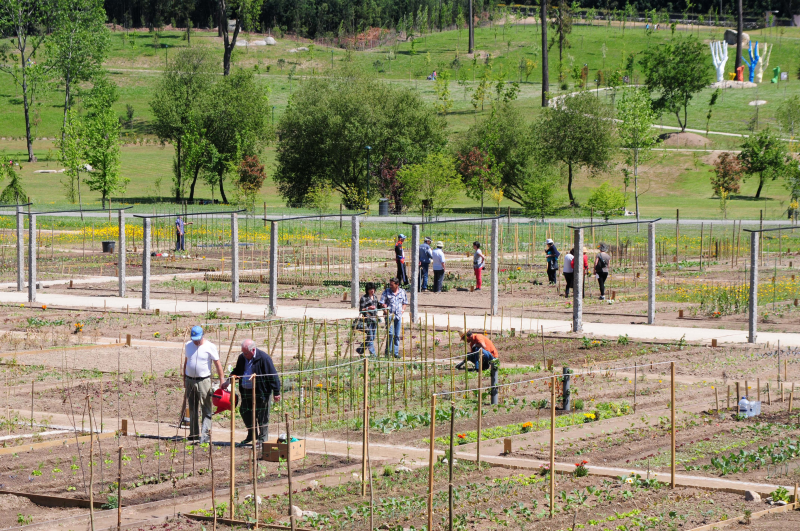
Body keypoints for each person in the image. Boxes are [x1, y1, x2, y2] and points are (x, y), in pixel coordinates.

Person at [222, 339, 281, 445]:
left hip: (261, 392)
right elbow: (238, 370)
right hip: (246, 391)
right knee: (245, 411)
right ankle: (252, 434)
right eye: (243, 352)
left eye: (246, 353)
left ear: (253, 350)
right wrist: (228, 381)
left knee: (262, 415)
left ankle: (263, 439)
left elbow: (272, 375)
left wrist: (276, 392)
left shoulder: (264, 358)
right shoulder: (242, 358)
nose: (244, 355)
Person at [183, 326, 224, 443]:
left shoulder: (210, 346)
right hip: (190, 380)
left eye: (197, 339)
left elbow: (217, 364)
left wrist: (222, 381)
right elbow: (186, 362)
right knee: (192, 407)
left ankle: (206, 435)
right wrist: (184, 378)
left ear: (203, 336)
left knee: (205, 408)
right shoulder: (188, 345)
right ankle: (194, 433)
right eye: (194, 339)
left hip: (203, 381)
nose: (195, 341)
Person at [379, 277, 408, 358]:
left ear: (397, 285)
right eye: (390, 284)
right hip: (389, 316)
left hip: (398, 316)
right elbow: (381, 302)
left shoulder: (402, 292)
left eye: (392, 285)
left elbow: (405, 302)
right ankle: (388, 352)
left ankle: (395, 353)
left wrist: (403, 310)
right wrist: (385, 309)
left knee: (397, 335)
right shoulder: (386, 292)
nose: (390, 286)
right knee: (390, 334)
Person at [357, 282, 380, 355]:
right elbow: (361, 309)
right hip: (367, 320)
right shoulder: (364, 298)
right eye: (370, 289)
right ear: (367, 290)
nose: (372, 290)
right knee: (370, 336)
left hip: (375, 319)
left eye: (373, 289)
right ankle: (373, 354)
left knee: (372, 337)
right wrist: (368, 308)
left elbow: (377, 306)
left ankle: (360, 349)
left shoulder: (375, 297)